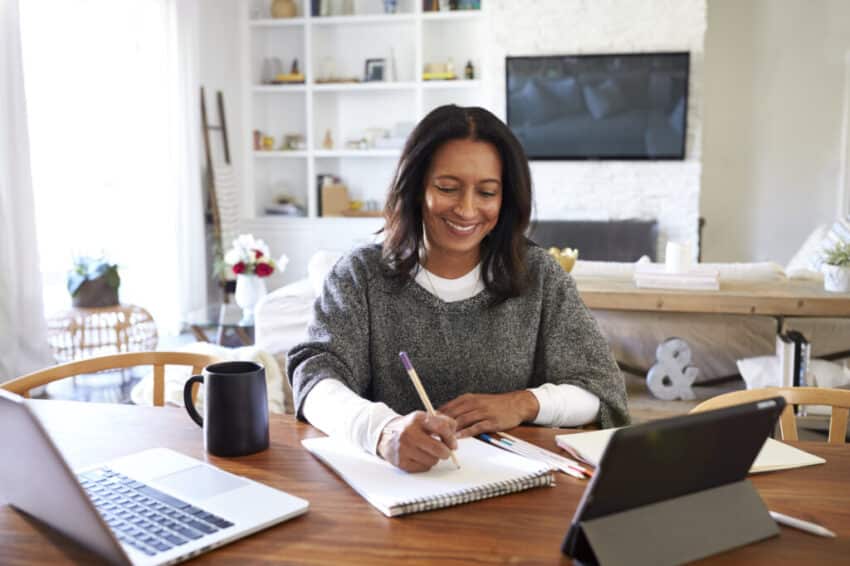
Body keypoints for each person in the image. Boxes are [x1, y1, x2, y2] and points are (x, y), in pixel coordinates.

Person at [288, 105, 629, 473]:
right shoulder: (361, 275)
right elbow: (315, 379)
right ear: (416, 187)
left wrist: (522, 403)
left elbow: (602, 393)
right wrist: (381, 431)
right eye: (447, 188)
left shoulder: (540, 276)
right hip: (397, 488)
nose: (467, 210)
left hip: (513, 491)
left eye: (486, 192)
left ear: (506, 198)